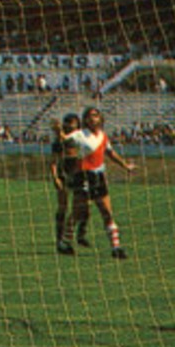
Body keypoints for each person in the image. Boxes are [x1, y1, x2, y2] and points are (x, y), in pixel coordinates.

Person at [56, 106, 136, 259]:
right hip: (83, 176)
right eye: (90, 116)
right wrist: (58, 131)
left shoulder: (103, 137)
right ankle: (64, 242)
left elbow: (110, 153)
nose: (93, 118)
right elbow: (65, 139)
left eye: (96, 115)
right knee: (79, 211)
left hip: (99, 177)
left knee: (106, 211)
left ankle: (116, 248)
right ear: (86, 119)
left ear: (100, 119)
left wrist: (124, 165)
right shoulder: (80, 135)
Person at [49, 112, 88, 254]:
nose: (70, 126)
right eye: (68, 123)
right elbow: (53, 162)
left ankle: (80, 234)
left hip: (79, 173)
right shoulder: (59, 142)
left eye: (73, 123)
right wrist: (55, 178)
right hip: (64, 173)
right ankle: (60, 241)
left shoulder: (81, 138)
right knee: (63, 207)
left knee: (83, 206)